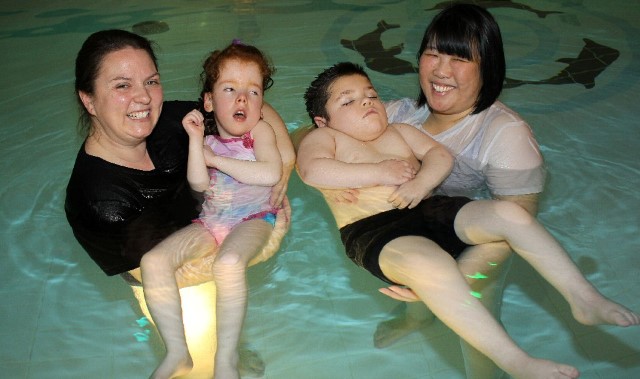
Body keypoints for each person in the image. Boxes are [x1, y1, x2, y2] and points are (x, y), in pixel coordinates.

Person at [296, 61, 639, 379]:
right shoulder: (324, 138)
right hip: (375, 231)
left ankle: (583, 297)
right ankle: (515, 360)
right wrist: (376, 171)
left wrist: (422, 181)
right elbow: (312, 170)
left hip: (429, 209)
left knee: (508, 213)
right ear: (322, 120)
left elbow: (439, 155)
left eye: (370, 94)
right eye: (348, 101)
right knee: (430, 267)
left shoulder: (398, 130)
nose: (367, 102)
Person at [65, 30, 294, 379]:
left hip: (219, 231)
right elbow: (165, 272)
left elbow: (242, 105)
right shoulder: (99, 201)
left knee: (226, 305)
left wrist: (285, 162)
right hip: (174, 283)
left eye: (151, 81)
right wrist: (263, 247)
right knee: (199, 358)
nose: (143, 98)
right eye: (122, 86)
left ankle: (229, 351)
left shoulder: (170, 121)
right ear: (89, 100)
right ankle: (190, 355)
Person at [174, 41, 282, 379]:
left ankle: (227, 358)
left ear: (262, 103)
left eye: (253, 92)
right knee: (168, 267)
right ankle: (185, 351)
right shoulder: (206, 140)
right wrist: (196, 143)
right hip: (212, 220)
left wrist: (217, 160)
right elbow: (198, 183)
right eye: (230, 89)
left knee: (229, 265)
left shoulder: (258, 132)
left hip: (252, 218)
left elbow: (270, 172)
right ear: (209, 101)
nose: (242, 99)